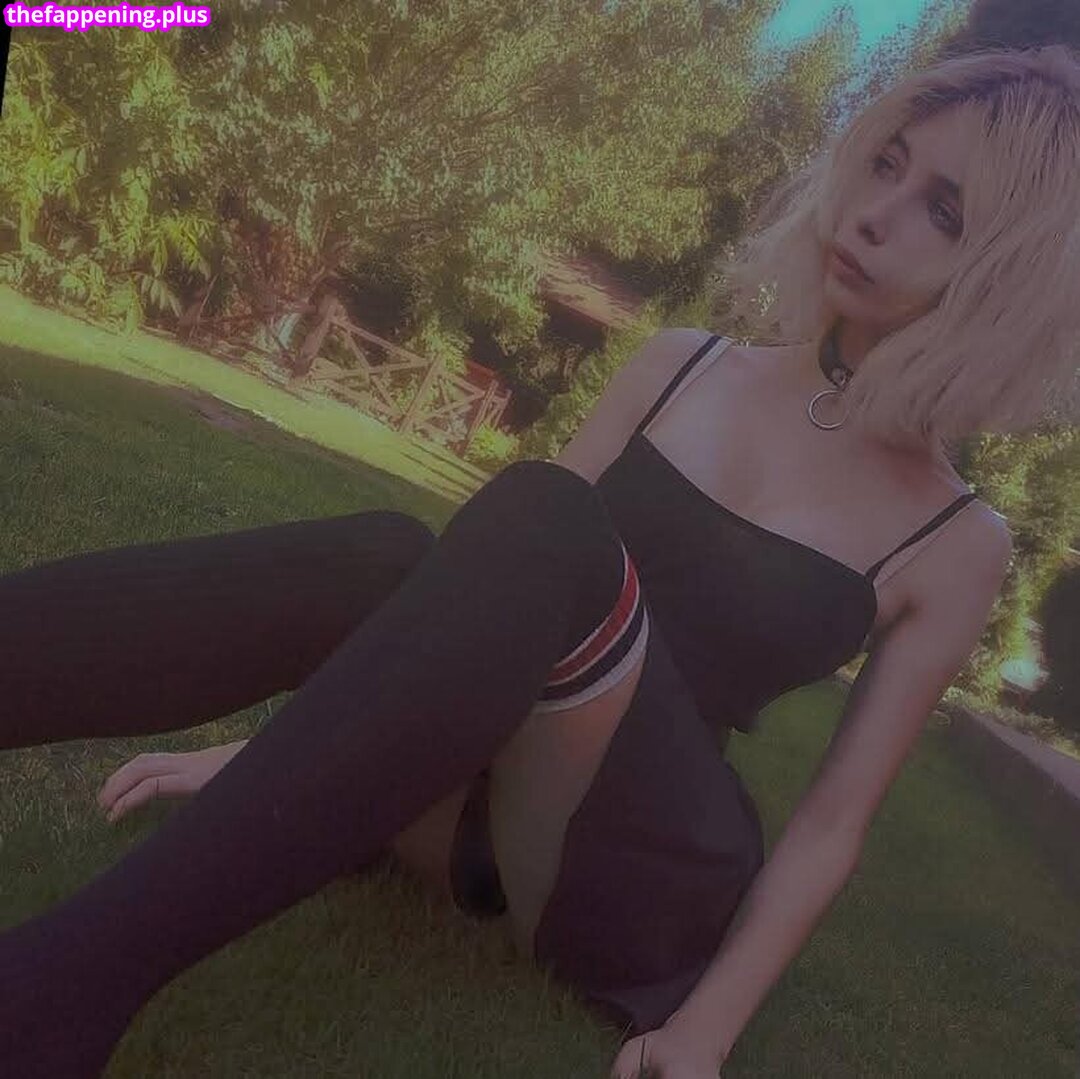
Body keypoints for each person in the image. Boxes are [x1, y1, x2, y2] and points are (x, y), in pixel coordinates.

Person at [2, 42, 1079, 1079]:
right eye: (887, 163)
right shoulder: (681, 365)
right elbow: (468, 613)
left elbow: (835, 820)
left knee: (550, 517)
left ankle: (55, 992)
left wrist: (705, 1031)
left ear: (1007, 282)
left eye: (944, 211)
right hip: (465, 801)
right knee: (392, 553)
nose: (877, 214)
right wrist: (259, 759)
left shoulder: (956, 538)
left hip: (629, 868)